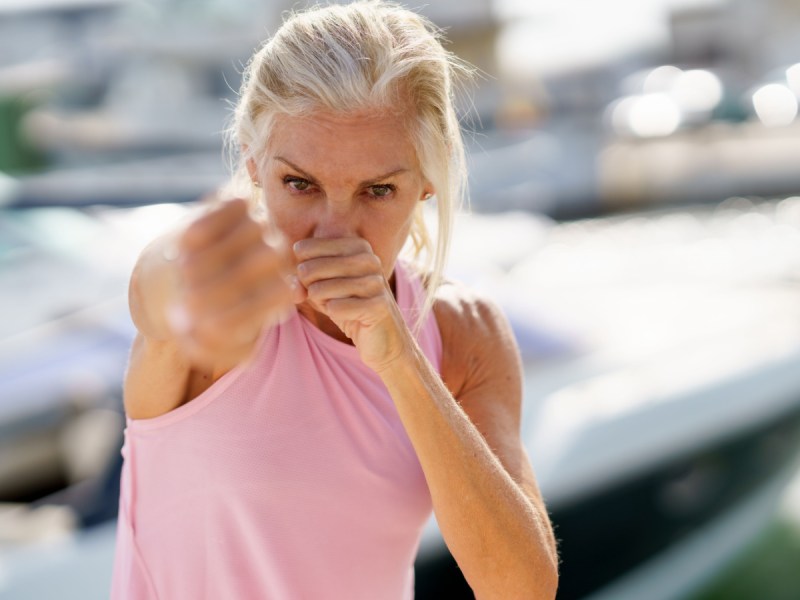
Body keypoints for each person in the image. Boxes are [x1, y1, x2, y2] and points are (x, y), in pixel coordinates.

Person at [110, 2, 559, 598]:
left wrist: (398, 358)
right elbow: (161, 285)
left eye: (378, 191)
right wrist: (193, 275)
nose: (333, 233)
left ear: (428, 179)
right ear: (253, 161)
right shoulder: (219, 289)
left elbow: (521, 589)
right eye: (300, 184)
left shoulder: (461, 332)